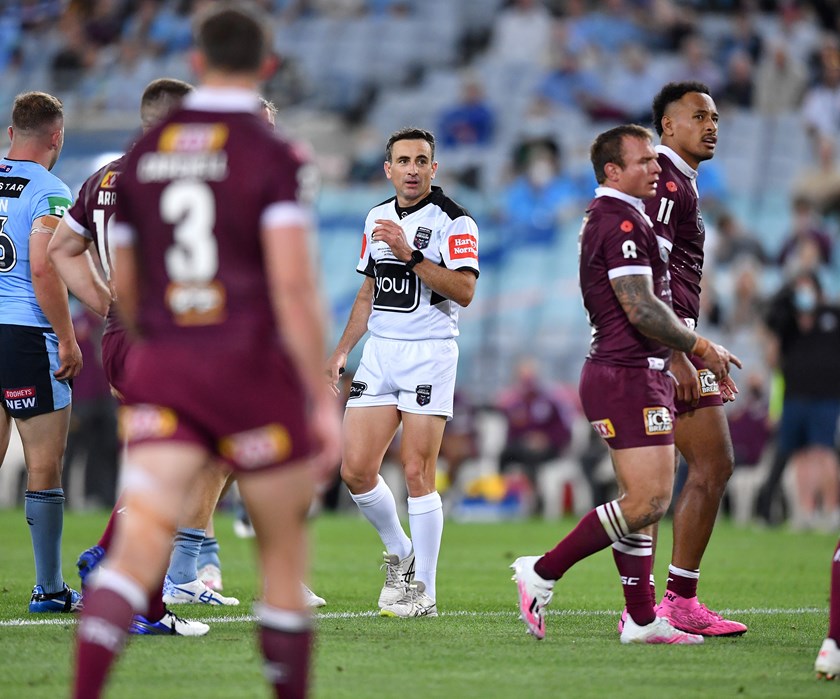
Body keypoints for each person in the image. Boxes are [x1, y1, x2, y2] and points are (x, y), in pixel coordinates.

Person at [71, 3, 341, 698]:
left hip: (166, 365)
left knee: (134, 553)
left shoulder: (136, 161)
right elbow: (291, 279)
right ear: (267, 67)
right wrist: (316, 392)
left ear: (196, 65)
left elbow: (125, 287)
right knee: (281, 558)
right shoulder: (275, 154)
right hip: (248, 366)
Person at [511, 123, 740, 644]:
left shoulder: (626, 216)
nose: (656, 168)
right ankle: (543, 572)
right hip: (625, 374)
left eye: (656, 163)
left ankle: (640, 620)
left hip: (643, 372)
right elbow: (639, 307)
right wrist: (700, 348)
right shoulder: (619, 222)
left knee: (646, 498)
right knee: (646, 502)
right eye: (644, 162)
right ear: (613, 171)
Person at [50, 77, 225, 636]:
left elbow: (61, 249)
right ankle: (139, 596)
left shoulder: (102, 177)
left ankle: (110, 555)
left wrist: (105, 302)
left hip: (122, 336)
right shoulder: (178, 177)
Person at [326, 125, 479, 619]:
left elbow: (464, 291)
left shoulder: (455, 221)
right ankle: (401, 551)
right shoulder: (375, 217)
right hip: (381, 352)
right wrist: (343, 349)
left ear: (433, 169)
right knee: (354, 468)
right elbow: (368, 292)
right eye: (403, 161)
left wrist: (411, 255)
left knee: (417, 471)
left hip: (430, 352)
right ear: (388, 168)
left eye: (421, 161)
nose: (412, 169)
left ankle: (425, 593)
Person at [635, 81, 748, 637]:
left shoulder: (680, 182)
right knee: (706, 465)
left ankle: (650, 606)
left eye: (717, 117)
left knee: (659, 478)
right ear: (667, 126)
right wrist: (681, 354)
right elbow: (647, 274)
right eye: (699, 115)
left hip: (665, 345)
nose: (712, 125)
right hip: (660, 349)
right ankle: (669, 602)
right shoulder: (664, 181)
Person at [0, 91, 84, 613]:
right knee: (43, 465)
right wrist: (68, 337)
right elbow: (43, 266)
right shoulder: (52, 192)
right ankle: (50, 588)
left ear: (11, 134)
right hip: (25, 334)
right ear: (56, 138)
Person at [758, 271, 840, 530]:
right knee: (800, 455)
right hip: (794, 397)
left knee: (824, 452)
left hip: (826, 397)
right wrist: (774, 332)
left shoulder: (832, 315)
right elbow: (772, 362)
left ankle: (831, 510)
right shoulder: (787, 323)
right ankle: (806, 513)